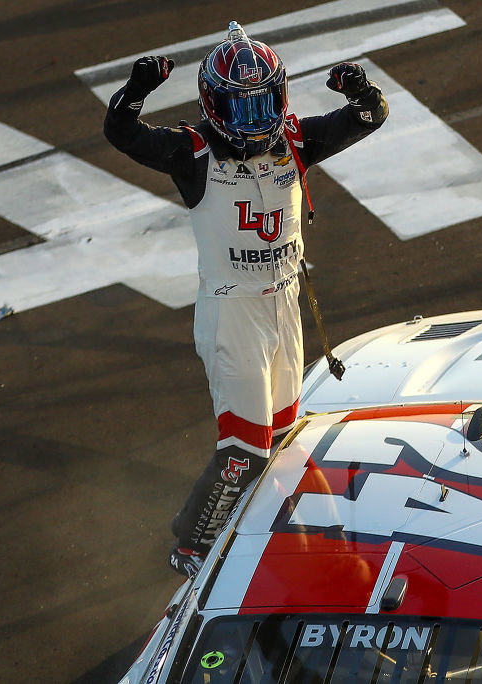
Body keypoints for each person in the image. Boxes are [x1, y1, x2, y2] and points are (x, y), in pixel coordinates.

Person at [104, 21, 388, 578]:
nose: (253, 120)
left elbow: (372, 115)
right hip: (233, 313)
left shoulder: (297, 141)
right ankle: (191, 545)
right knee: (246, 449)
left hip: (285, 308)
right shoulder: (192, 153)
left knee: (282, 437)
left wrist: (361, 90)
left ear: (280, 96)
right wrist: (136, 90)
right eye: (240, 107)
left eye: (264, 104)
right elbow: (123, 132)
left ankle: (267, 529)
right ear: (213, 104)